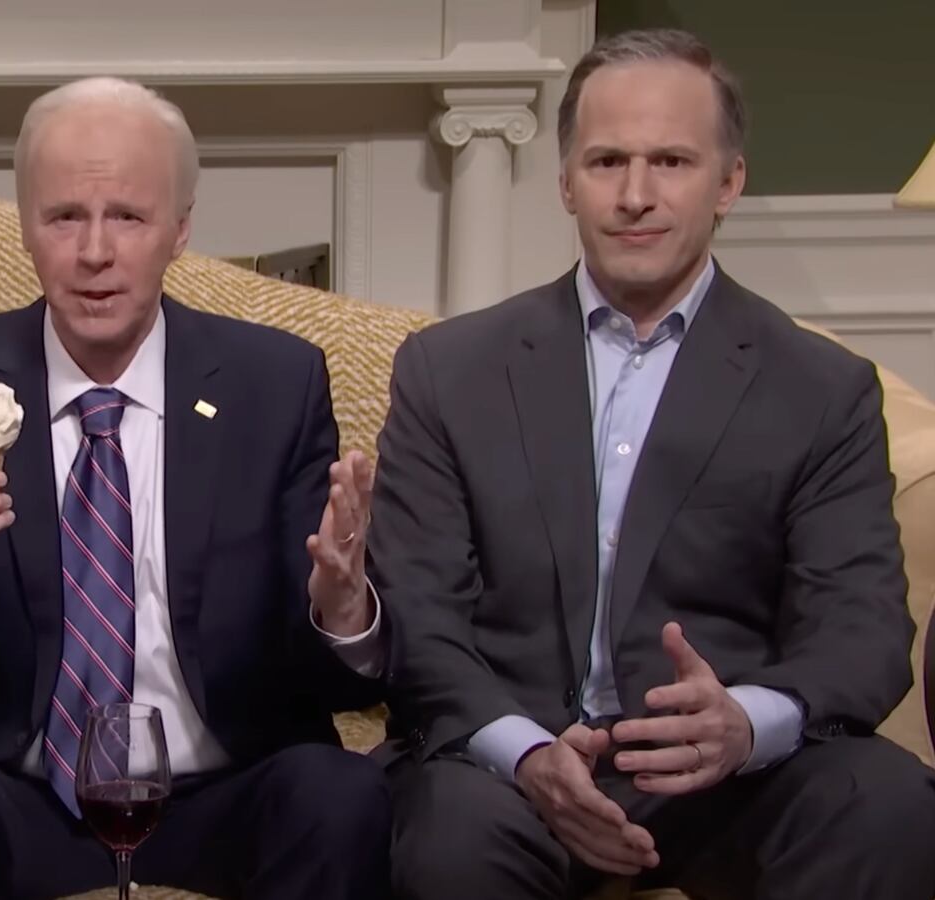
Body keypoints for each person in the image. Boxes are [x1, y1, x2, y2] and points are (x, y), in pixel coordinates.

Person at [370, 27, 935, 900]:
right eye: (607, 163)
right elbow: (419, 613)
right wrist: (523, 752)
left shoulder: (821, 389)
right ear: (565, 182)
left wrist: (745, 724)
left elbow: (860, 632)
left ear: (730, 182)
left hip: (730, 781)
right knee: (445, 835)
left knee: (887, 802)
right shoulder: (450, 372)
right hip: (512, 772)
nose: (636, 195)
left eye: (671, 161)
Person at [0, 77, 391, 899]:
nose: (95, 252)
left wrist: (340, 607)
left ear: (180, 230)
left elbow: (336, 684)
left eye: (130, 218)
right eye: (65, 216)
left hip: (216, 792)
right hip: (23, 795)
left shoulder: (274, 383)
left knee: (341, 794)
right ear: (27, 229)